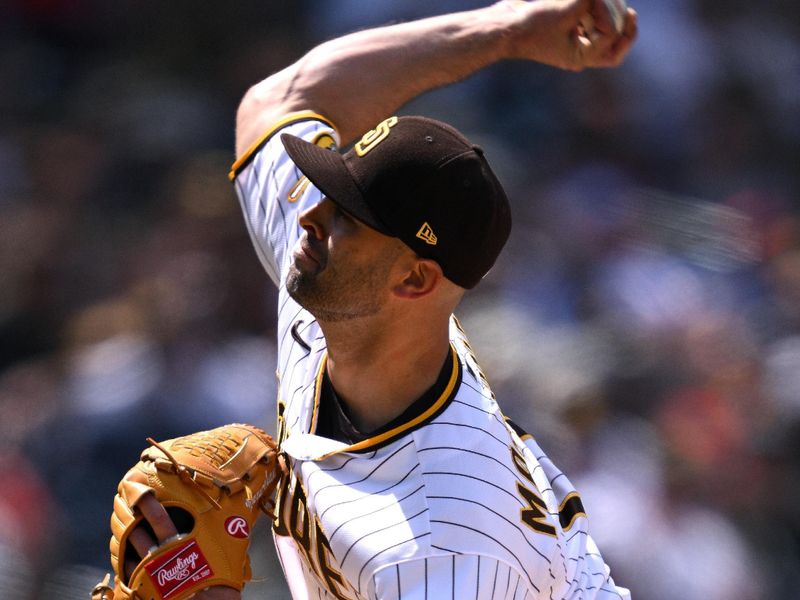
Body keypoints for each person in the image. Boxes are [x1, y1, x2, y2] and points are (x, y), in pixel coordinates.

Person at [124, 1, 637, 598]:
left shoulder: (446, 541)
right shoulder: (339, 294)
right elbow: (282, 100)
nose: (309, 216)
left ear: (415, 281)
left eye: (347, 215)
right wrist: (503, 30)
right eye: (328, 187)